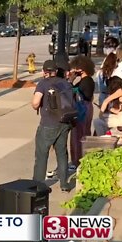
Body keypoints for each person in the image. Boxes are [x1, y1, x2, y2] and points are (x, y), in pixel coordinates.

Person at [32, 60, 74, 192]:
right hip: (64, 123)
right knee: (62, 153)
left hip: (48, 124)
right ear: (56, 71)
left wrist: (36, 105)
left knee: (41, 154)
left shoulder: (43, 83)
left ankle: (38, 185)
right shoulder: (65, 83)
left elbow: (35, 103)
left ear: (44, 72)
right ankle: (64, 183)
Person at [69, 55, 96, 170]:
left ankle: (78, 161)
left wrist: (71, 83)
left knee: (79, 135)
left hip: (82, 109)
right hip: (82, 108)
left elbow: (85, 95)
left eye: (76, 68)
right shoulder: (84, 80)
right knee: (80, 133)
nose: (74, 70)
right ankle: (78, 159)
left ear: (82, 68)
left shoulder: (87, 81)